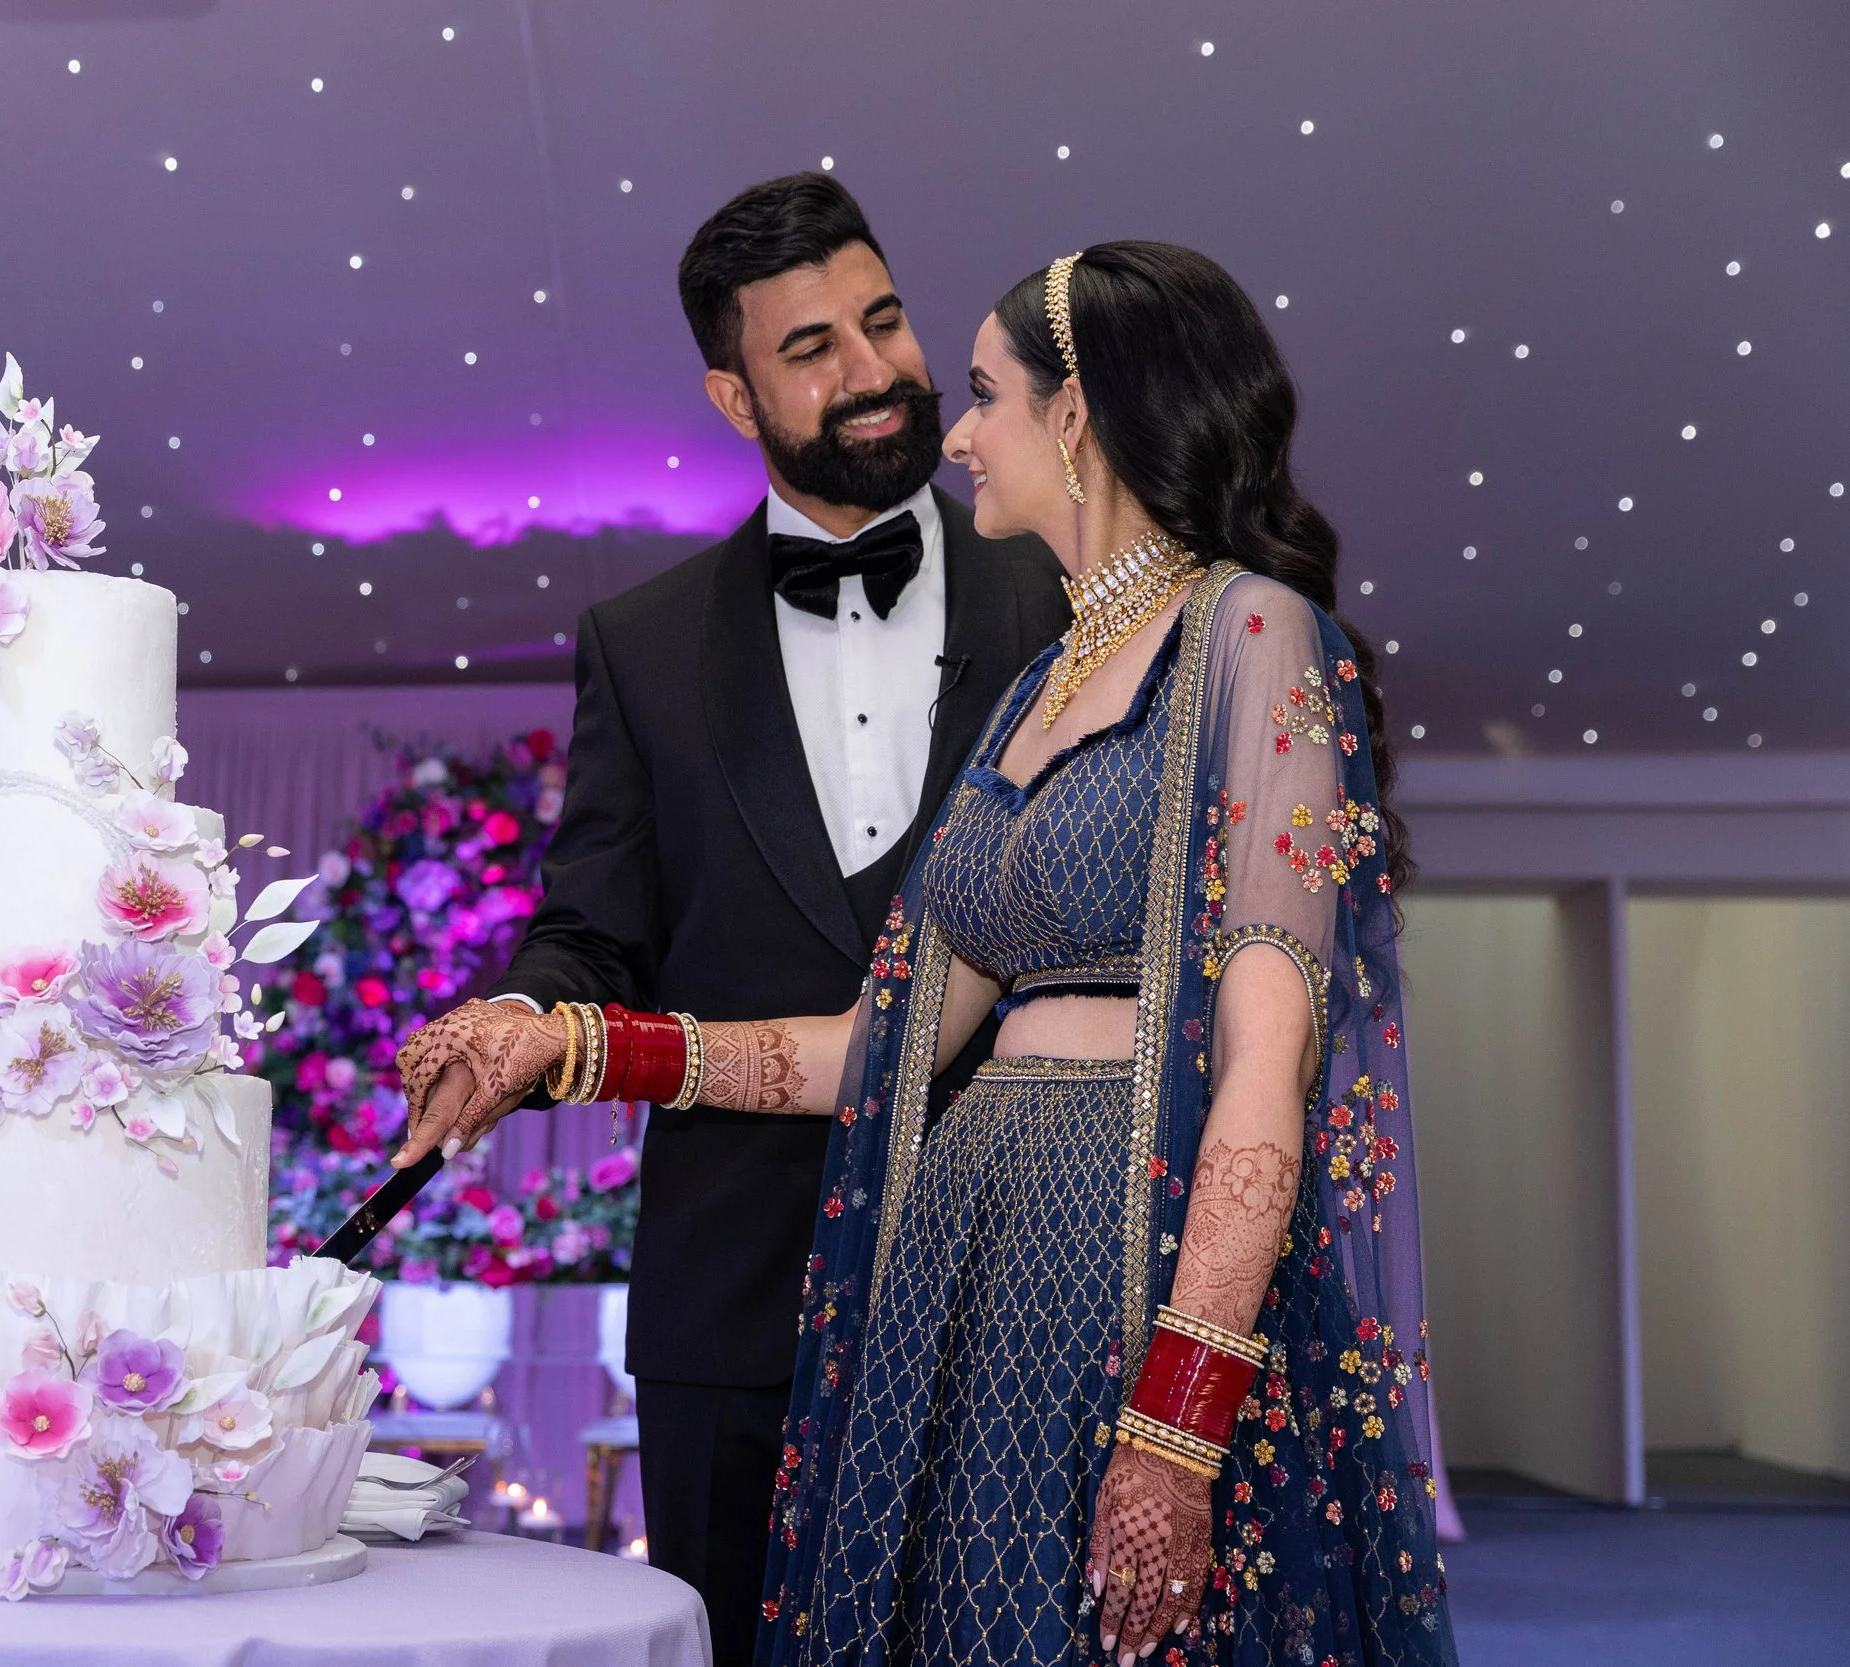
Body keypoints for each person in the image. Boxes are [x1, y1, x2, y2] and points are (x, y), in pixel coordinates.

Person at [401, 242, 1456, 1667]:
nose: (953, 430)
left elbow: (1269, 1064)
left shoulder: (1254, 634)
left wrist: (1182, 1417)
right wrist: (577, 1045)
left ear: (1076, 416)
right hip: (962, 1295)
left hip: (1132, 1283)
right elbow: (863, 1042)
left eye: (983, 393)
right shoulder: (1040, 684)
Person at [390, 172, 1067, 1664]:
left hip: (1029, 1279)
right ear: (731, 391)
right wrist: (518, 1018)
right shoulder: (640, 648)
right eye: (811, 346)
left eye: (882, 322)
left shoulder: (1067, 596)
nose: (875, 371)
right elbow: (592, 931)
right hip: (734, 1299)